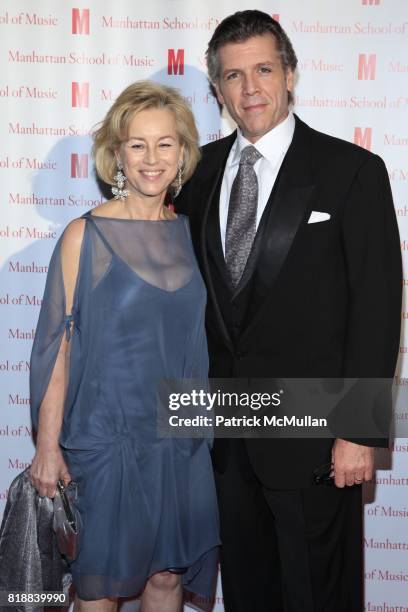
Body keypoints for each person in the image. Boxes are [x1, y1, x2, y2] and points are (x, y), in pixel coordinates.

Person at [176, 10, 402, 612]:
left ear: (291, 74)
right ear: (216, 88)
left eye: (264, 69)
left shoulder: (350, 171)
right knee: (249, 594)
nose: (250, 88)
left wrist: (358, 431)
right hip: (225, 436)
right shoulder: (194, 175)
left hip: (315, 439)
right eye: (233, 76)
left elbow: (378, 308)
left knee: (318, 597)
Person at [29, 80, 220, 612]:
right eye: (137, 144)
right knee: (103, 588)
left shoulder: (191, 233)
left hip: (179, 441)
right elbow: (56, 347)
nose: (152, 158)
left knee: (165, 579)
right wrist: (48, 447)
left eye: (165, 143)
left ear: (182, 152)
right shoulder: (84, 236)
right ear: (116, 154)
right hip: (108, 442)